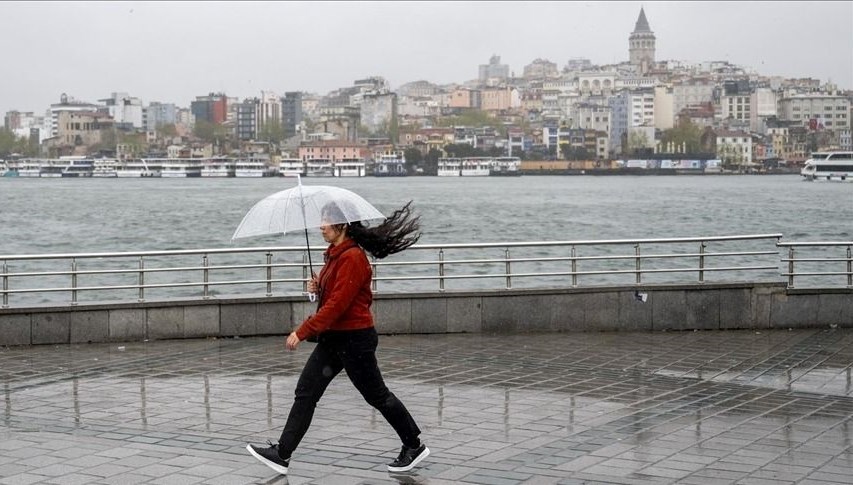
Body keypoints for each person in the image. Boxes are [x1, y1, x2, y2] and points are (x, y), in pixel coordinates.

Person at [247, 200, 429, 476]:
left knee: (377, 395)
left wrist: (302, 331)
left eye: (326, 220)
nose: (321, 226)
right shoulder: (335, 254)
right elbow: (333, 295)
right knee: (305, 392)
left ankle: (413, 444)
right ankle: (282, 454)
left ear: (341, 225)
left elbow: (337, 306)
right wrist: (318, 285)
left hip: (355, 340)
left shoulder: (353, 258)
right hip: (335, 339)